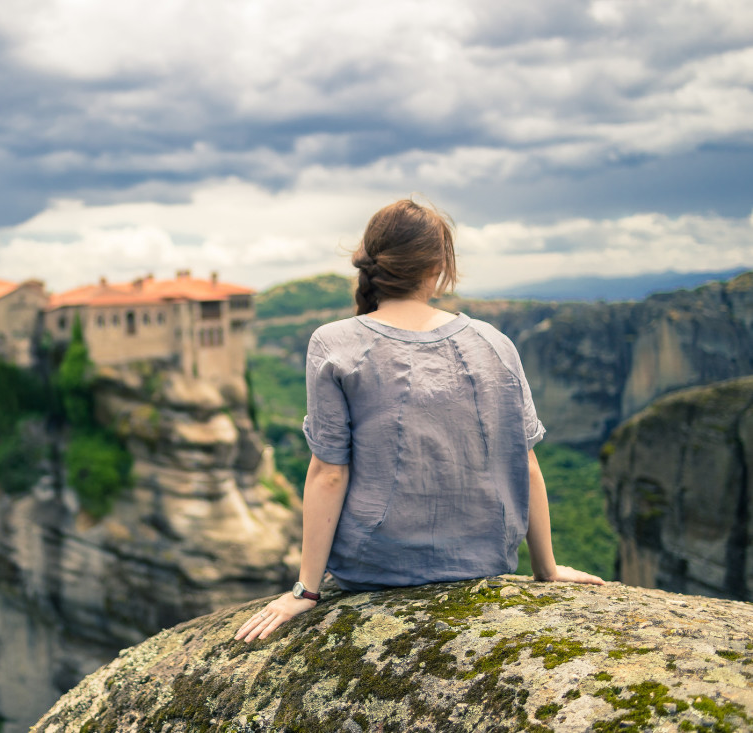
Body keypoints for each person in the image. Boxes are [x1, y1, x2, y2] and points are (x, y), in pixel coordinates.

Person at [236, 199, 603, 643]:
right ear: (440, 267)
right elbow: (523, 463)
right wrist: (546, 568)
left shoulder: (334, 342)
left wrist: (306, 591)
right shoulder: (496, 343)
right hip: (481, 562)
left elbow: (329, 474)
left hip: (377, 567)